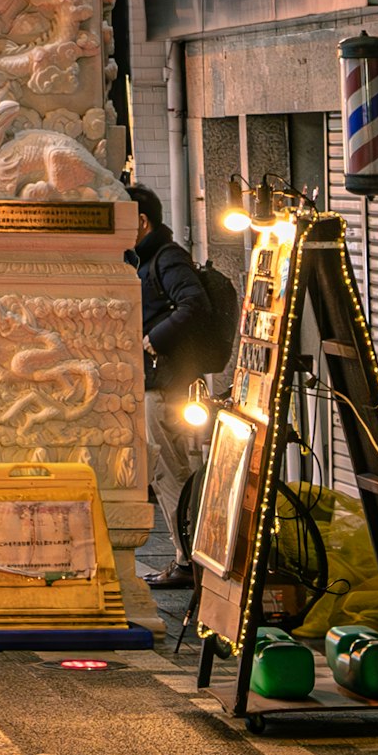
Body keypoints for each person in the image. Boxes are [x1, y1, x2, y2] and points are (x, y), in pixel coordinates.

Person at [128, 186, 240, 591]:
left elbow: (193, 303)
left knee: (170, 469)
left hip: (166, 383)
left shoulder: (166, 256)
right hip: (158, 380)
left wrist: (154, 339)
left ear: (142, 221)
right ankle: (188, 555)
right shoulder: (147, 258)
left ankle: (188, 558)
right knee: (168, 469)